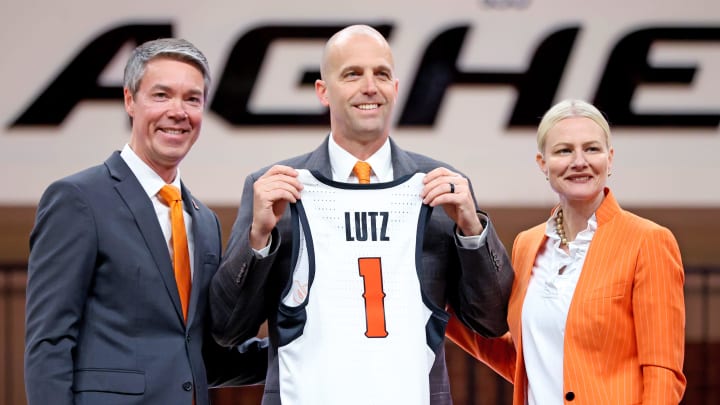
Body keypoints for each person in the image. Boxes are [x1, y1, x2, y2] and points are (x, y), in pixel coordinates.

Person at [209, 24, 513, 405]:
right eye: (352, 74)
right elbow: (227, 328)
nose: (370, 87)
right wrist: (257, 240)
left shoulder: (441, 190)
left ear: (396, 89)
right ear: (323, 91)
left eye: (381, 74)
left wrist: (472, 228)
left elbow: (492, 320)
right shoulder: (275, 191)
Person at [24, 38, 266, 405]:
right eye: (161, 95)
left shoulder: (204, 223)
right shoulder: (78, 199)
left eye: (192, 99)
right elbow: (48, 342)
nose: (178, 111)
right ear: (129, 101)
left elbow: (198, 357)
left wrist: (299, 345)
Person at [446, 99, 686, 404]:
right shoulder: (527, 244)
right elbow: (525, 363)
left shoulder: (648, 241)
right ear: (542, 163)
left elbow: (663, 373)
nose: (579, 161)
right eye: (564, 150)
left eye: (592, 149)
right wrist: (443, 307)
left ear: (610, 159)